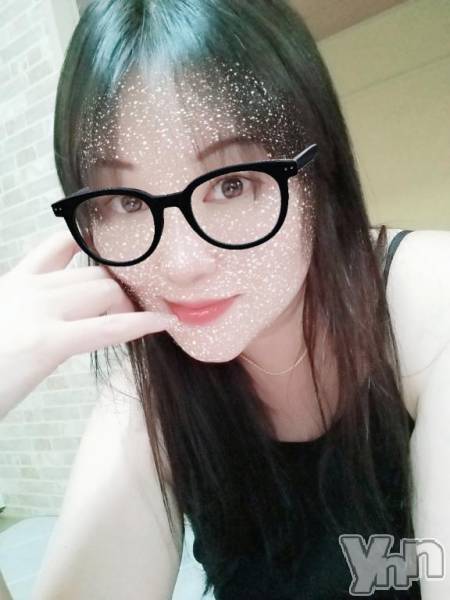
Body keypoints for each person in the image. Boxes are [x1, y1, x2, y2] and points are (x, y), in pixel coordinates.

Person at [1, 1, 449, 598]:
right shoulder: (149, 387)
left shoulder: (430, 304)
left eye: (232, 185)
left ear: (320, 171)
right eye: (128, 203)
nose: (181, 265)